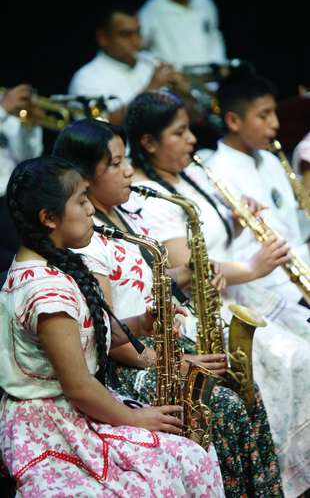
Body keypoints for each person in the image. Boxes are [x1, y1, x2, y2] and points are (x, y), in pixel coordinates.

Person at [53, 118, 284, 497]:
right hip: (127, 365)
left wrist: (192, 273)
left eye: (126, 159)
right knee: (221, 404)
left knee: (244, 386)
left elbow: (146, 278)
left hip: (157, 345)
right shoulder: (87, 243)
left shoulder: (122, 216)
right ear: (83, 178)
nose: (129, 170)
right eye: (115, 163)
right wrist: (176, 363)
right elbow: (108, 339)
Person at [0, 156, 225, 497]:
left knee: (190, 455)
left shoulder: (55, 267)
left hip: (76, 411)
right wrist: (135, 418)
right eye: (81, 200)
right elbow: (77, 386)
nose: (91, 209)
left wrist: (140, 324)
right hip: (50, 425)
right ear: (48, 218)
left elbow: (86, 339)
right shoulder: (44, 293)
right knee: (179, 462)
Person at [124, 89, 310, 498]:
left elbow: (208, 245)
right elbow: (187, 265)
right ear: (149, 144)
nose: (192, 139)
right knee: (294, 360)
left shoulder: (190, 172)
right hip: (200, 308)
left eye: (189, 129)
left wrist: (240, 222)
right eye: (179, 132)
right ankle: (281, 473)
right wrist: (253, 266)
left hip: (234, 295)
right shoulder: (148, 195)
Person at [206, 71, 310, 307]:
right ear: (233, 121)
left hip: (300, 268)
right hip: (268, 288)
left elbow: (291, 229)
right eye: (264, 115)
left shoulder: (270, 159)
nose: (275, 123)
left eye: (274, 112)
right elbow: (237, 252)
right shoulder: (217, 174)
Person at [68, 2, 180, 125]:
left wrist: (182, 91)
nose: (137, 42)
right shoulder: (86, 78)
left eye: (138, 32)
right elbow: (99, 127)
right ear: (103, 38)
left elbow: (190, 116)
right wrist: (151, 89)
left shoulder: (152, 62)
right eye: (126, 35)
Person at [0, 84, 43, 271]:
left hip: (16, 194)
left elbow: (26, 156)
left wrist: (29, 126)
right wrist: (2, 110)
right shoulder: (4, 102)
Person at [139, 0, 227, 69]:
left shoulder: (205, 3)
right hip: (175, 81)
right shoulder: (152, 9)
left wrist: (220, 63)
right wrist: (159, 65)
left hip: (209, 76)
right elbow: (139, 47)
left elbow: (213, 37)